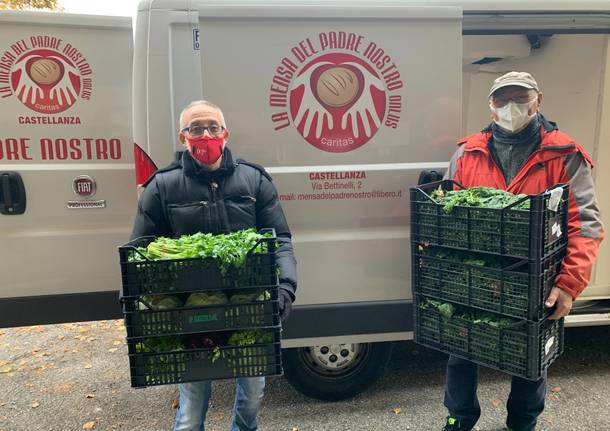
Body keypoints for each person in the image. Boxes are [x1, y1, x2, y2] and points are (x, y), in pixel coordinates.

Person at [441, 72, 604, 431]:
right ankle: (459, 417)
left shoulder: (563, 154)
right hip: (477, 276)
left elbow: (585, 224)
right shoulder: (467, 153)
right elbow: (446, 216)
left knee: (530, 358)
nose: (510, 106)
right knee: (462, 349)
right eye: (502, 99)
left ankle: (522, 422)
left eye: (520, 98)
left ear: (538, 101)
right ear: (491, 105)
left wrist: (568, 284)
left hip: (536, 279)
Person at [130, 100, 297, 431]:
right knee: (190, 413)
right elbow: (140, 249)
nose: (205, 134)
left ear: (225, 133)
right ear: (183, 137)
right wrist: (131, 299)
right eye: (196, 128)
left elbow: (280, 240)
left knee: (252, 397)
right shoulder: (162, 186)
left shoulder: (254, 180)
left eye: (212, 127)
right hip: (191, 313)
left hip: (248, 307)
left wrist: (286, 288)